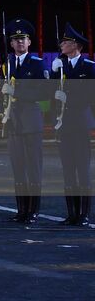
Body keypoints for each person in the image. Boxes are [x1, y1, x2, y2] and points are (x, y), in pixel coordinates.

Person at [3, 18, 48, 223]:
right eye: (16, 40)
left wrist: (17, 92)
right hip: (13, 122)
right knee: (18, 167)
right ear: (11, 44)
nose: (20, 43)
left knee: (33, 168)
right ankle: (21, 210)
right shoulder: (7, 64)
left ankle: (33, 210)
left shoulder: (37, 64)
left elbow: (43, 93)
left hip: (31, 122)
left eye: (24, 39)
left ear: (29, 42)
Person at [53, 24, 93, 225]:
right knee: (68, 169)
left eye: (66, 42)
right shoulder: (60, 67)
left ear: (76, 45)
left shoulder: (89, 67)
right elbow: (50, 97)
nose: (62, 45)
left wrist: (68, 98)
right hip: (64, 125)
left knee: (82, 170)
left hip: (80, 124)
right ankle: (72, 213)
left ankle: (84, 214)